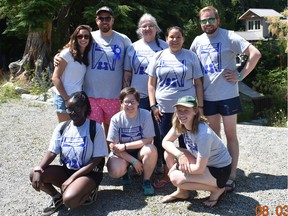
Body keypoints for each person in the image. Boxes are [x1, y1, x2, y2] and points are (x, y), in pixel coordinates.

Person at [190, 6, 261, 192]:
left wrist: (240, 75)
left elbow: (255, 54)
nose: (207, 23)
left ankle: (231, 174)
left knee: (231, 136)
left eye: (210, 19)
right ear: (200, 23)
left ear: (218, 20)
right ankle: (218, 169)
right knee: (214, 136)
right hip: (207, 97)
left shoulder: (229, 36)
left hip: (228, 96)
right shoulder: (198, 41)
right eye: (204, 21)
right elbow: (190, 63)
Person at [29, 91, 108, 216]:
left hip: (89, 174)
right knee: (34, 174)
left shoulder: (95, 128)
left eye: (76, 108)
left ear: (85, 107)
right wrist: (39, 169)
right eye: (68, 109)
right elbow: (52, 152)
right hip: (68, 171)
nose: (71, 112)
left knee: (70, 200)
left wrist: (72, 178)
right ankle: (57, 197)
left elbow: (97, 159)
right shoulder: (62, 127)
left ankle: (89, 191)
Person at [146, 26, 204, 188]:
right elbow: (151, 84)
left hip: (187, 110)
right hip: (164, 109)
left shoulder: (191, 56)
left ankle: (189, 174)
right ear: (166, 39)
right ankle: (168, 174)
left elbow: (198, 83)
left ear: (183, 39)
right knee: (166, 142)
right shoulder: (158, 56)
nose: (175, 40)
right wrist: (153, 105)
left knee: (187, 143)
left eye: (178, 37)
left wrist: (200, 106)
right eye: (171, 37)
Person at [161, 95, 232, 208]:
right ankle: (182, 192)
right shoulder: (181, 123)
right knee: (168, 152)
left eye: (186, 110)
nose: (182, 114)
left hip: (219, 170)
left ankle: (218, 189)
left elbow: (199, 169)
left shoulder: (203, 134)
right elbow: (165, 142)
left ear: (195, 111)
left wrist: (177, 168)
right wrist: (180, 155)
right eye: (179, 110)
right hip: (205, 163)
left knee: (175, 178)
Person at [123, 13, 168, 174]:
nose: (147, 28)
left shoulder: (164, 46)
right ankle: (138, 163)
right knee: (138, 131)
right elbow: (127, 73)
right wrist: (126, 95)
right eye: (144, 26)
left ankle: (160, 163)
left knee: (159, 131)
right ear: (139, 29)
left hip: (160, 97)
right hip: (139, 97)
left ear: (156, 29)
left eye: (151, 25)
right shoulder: (133, 47)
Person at [84, 6, 132, 138]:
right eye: (101, 18)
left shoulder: (123, 39)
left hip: (114, 96)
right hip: (91, 94)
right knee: (92, 130)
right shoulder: (88, 37)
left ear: (113, 20)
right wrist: (58, 57)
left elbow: (133, 61)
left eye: (107, 18)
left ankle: (110, 158)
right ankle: (95, 158)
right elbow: (72, 50)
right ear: (96, 20)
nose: (104, 21)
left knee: (111, 132)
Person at [106, 87, 157, 196]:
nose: (130, 105)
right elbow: (113, 146)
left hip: (139, 150)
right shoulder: (115, 119)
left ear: (138, 102)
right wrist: (133, 161)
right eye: (126, 102)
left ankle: (146, 180)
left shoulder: (145, 115)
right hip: (121, 154)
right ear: (121, 103)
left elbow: (149, 139)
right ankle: (124, 171)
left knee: (151, 150)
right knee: (114, 171)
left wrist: (125, 146)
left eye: (133, 101)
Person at [52, 25, 93, 123]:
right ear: (75, 38)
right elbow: (55, 77)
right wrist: (66, 98)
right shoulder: (67, 53)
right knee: (64, 129)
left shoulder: (86, 54)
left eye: (86, 36)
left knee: (75, 129)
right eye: (80, 36)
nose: (83, 39)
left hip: (77, 99)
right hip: (63, 97)